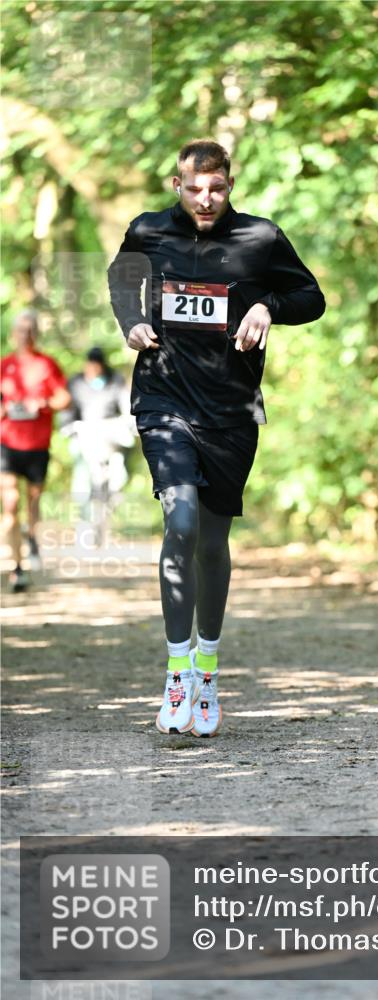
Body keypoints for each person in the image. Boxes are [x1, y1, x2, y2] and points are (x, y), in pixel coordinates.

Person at [107, 138, 325, 737]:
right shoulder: (148, 231)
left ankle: (207, 669)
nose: (206, 198)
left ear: (230, 185)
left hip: (231, 410)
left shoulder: (261, 239)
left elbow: (313, 297)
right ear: (176, 185)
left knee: (211, 542)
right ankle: (176, 671)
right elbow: (122, 278)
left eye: (217, 188)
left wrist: (268, 309)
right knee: (180, 523)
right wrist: (133, 323)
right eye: (194, 187)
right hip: (164, 397)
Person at [0, 310, 71, 592]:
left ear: (35, 334)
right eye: (20, 330)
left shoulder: (47, 365)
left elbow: (64, 399)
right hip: (7, 442)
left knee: (32, 503)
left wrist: (42, 404)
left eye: (30, 330)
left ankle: (32, 537)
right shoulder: (5, 365)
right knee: (10, 504)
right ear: (13, 334)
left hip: (37, 445)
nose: (25, 335)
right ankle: (17, 568)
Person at [62, 346, 134, 544]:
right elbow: (67, 412)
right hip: (83, 438)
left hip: (111, 439)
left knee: (119, 478)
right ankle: (84, 527)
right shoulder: (76, 382)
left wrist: (126, 424)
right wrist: (69, 427)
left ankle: (105, 516)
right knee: (83, 481)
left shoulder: (115, 381)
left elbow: (126, 407)